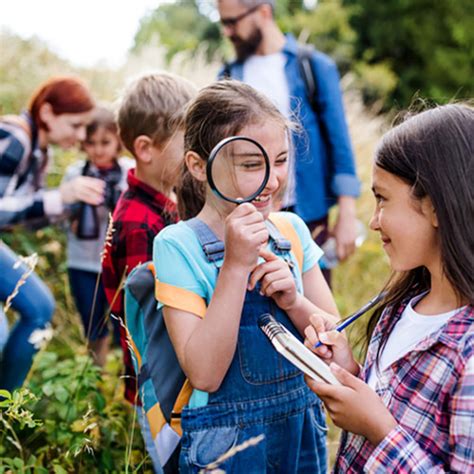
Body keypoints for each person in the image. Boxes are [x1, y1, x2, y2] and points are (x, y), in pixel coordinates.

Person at [153, 80, 339, 473]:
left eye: (283, 160)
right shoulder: (177, 245)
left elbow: (339, 354)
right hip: (225, 449)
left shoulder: (291, 231)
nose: (272, 180)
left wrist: (294, 301)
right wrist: (235, 267)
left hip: (301, 437)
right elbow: (205, 373)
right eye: (252, 164)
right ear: (198, 166)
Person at [305, 104, 474, 472]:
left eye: (382, 198)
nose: (373, 220)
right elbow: (398, 400)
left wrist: (380, 431)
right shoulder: (401, 305)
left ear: (433, 206)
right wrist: (350, 371)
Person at [217, 0, 360, 284]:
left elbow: (339, 141)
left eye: (232, 22)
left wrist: (347, 212)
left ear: (263, 13)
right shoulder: (229, 77)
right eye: (224, 23)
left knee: (314, 302)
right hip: (251, 212)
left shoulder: (314, 66)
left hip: (310, 213)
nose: (227, 32)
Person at [101, 72, 196, 472]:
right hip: (160, 390)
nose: (196, 154)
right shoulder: (140, 223)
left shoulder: (160, 204)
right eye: (186, 143)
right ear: (146, 149)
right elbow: (151, 321)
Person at [0, 76, 104, 392]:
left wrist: (65, 210)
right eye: (75, 125)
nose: (81, 135)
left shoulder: (39, 152)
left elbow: (19, 218)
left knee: (36, 312)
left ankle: (6, 406)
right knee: (17, 321)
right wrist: (59, 197)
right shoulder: (14, 137)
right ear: (47, 113)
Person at [62, 106, 133, 366]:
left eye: (105, 142)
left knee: (124, 329)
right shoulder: (76, 174)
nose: (98, 150)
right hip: (82, 262)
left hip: (118, 264)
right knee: (93, 325)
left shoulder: (128, 172)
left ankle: (125, 381)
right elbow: (60, 216)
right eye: (90, 143)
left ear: (118, 141)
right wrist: (75, 214)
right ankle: (96, 377)